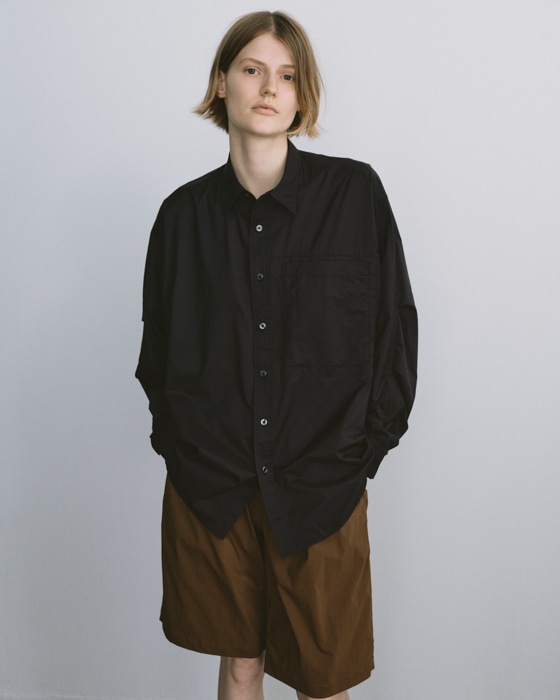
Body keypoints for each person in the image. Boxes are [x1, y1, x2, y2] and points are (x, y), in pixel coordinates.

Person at [135, 10, 417, 700]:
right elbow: (159, 353)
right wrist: (182, 448)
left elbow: (394, 330)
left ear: (301, 95)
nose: (269, 88)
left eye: (287, 76)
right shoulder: (181, 217)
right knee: (240, 664)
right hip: (214, 487)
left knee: (322, 680)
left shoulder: (354, 196)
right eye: (253, 69)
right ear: (221, 82)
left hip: (322, 484)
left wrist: (363, 454)